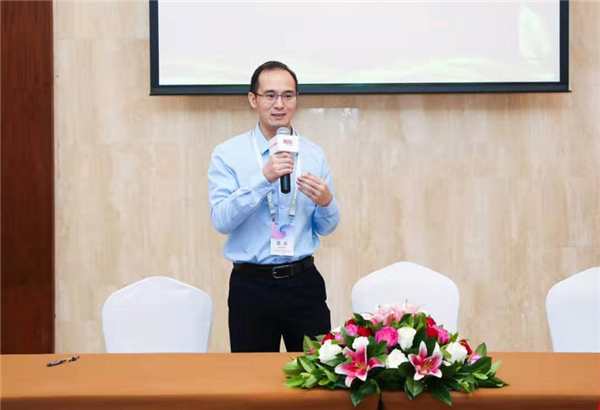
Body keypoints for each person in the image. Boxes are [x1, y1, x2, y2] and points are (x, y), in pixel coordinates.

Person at [208, 61, 340, 352]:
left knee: (316, 372)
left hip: (304, 284)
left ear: (296, 99)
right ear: (253, 99)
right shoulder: (228, 154)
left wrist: (326, 202)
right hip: (251, 286)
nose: (279, 104)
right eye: (270, 95)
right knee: (251, 376)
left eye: (287, 95)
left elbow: (327, 227)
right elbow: (221, 220)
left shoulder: (314, 154)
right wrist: (263, 179)